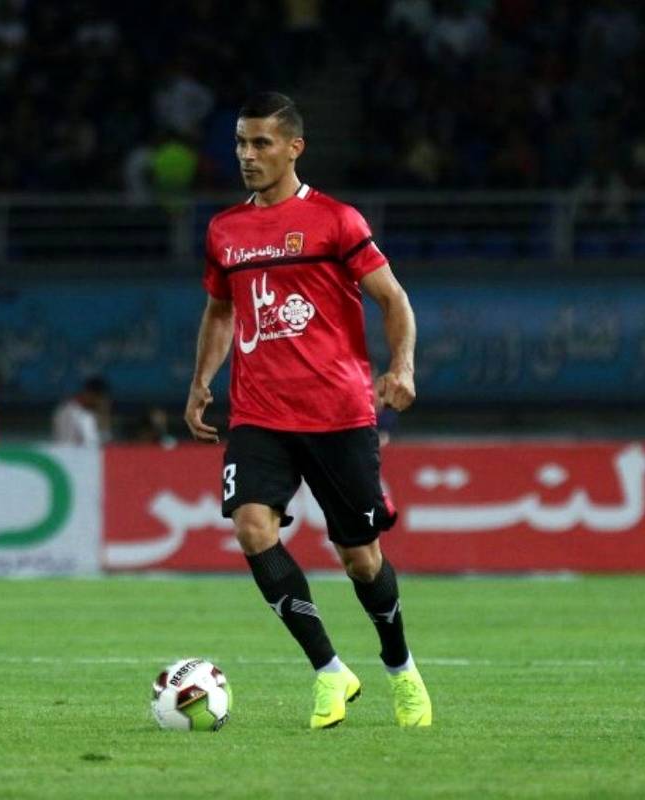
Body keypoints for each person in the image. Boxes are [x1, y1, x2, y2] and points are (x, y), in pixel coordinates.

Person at [183, 91, 431, 729]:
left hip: (338, 413)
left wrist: (402, 366)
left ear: (294, 148)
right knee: (251, 527)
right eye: (240, 143)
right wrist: (202, 380)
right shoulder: (225, 231)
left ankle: (400, 667)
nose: (247, 155)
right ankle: (329, 670)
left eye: (261, 143)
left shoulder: (335, 221)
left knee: (361, 560)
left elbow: (393, 299)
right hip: (259, 413)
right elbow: (220, 310)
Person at [52, 376, 111, 446]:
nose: (98, 403)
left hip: (62, 450)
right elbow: (93, 443)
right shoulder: (84, 416)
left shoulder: (63, 408)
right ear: (90, 394)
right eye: (99, 399)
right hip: (74, 450)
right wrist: (103, 416)